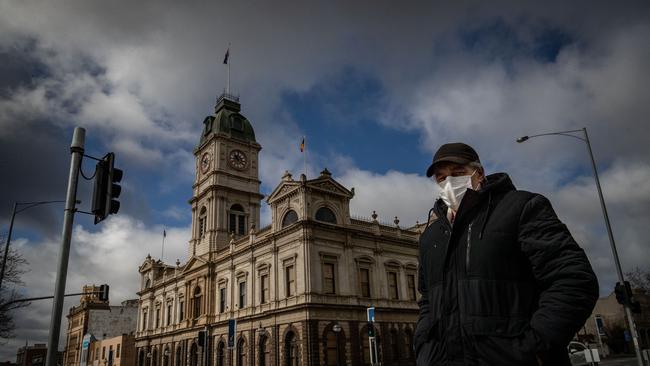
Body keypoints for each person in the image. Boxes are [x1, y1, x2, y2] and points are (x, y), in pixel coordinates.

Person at [415, 142, 599, 366]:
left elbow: (573, 278)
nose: (449, 183)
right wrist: (425, 350)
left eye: (458, 173)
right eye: (441, 178)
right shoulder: (431, 237)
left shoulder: (522, 207)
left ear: (479, 173)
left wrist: (534, 350)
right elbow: (427, 301)